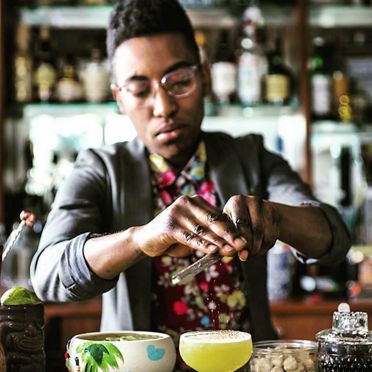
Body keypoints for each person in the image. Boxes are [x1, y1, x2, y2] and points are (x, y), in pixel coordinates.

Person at [31, 0, 350, 367]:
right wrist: (140, 239)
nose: (163, 106)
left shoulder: (251, 157)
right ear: (119, 98)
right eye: (139, 89)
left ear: (206, 79)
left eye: (179, 82)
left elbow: (335, 238)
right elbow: (47, 274)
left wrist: (275, 217)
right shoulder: (100, 169)